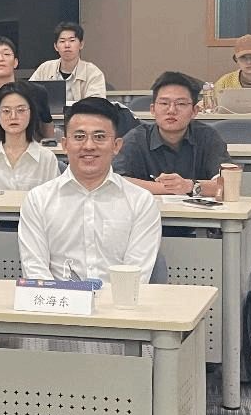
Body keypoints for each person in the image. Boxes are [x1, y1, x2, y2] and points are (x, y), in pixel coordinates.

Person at [19, 96, 160, 283]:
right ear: (65, 144)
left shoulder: (141, 202)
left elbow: (135, 276)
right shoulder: (38, 200)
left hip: (119, 301)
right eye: (79, 137)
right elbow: (35, 271)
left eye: (99, 137)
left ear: (116, 146)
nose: (89, 146)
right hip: (57, 300)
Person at [114, 71, 230, 199]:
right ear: (152, 109)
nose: (171, 110)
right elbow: (116, 180)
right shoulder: (136, 138)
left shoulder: (208, 137)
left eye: (181, 104)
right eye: (164, 103)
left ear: (194, 111)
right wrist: (169, 188)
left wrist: (189, 186)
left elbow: (226, 184)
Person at [0, 82, 60, 192]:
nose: (13, 116)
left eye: (20, 110)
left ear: (31, 114)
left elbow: (54, 199)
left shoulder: (47, 159)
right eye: (6, 111)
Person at [28, 22, 108, 107]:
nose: (67, 45)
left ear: (81, 44)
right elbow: (28, 95)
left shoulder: (93, 73)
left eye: (72, 40)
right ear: (55, 46)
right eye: (62, 41)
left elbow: (96, 106)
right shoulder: (45, 68)